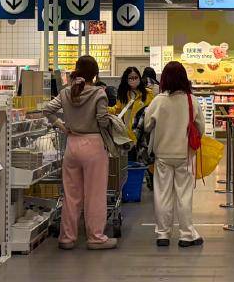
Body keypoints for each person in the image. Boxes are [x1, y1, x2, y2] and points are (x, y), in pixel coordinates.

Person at [41, 56, 117, 250]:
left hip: (72, 144)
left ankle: (67, 237)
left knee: (71, 194)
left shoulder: (66, 92)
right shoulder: (99, 93)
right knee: (95, 194)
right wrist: (112, 122)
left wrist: (62, 126)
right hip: (94, 146)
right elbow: (102, 120)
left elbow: (47, 110)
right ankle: (96, 238)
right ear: (95, 74)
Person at [140, 61, 204, 249]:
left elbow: (147, 125)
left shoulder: (158, 100)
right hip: (184, 154)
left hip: (163, 154)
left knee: (162, 194)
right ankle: (186, 235)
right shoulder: (191, 100)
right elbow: (200, 127)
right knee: (184, 195)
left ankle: (163, 234)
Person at [112, 66, 154, 132]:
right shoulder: (124, 94)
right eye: (131, 78)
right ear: (126, 79)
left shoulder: (148, 93)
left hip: (142, 131)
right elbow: (117, 109)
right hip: (127, 130)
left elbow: (152, 110)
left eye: (136, 77)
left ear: (139, 78)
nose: (134, 80)